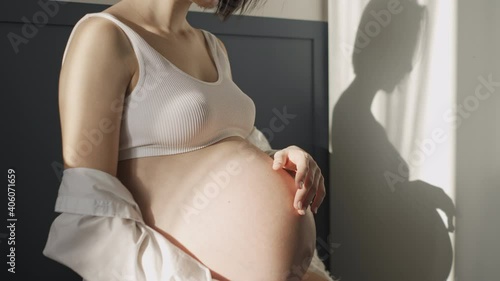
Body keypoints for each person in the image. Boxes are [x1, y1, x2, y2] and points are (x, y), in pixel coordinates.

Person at [43, 0, 335, 280]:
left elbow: (232, 146)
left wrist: (279, 157)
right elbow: (90, 214)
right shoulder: (104, 36)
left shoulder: (212, 47)